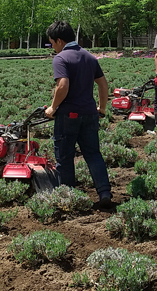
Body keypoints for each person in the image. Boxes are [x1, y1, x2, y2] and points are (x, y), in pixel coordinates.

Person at [44, 21, 112, 208]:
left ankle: (68, 197)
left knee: (64, 157)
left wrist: (53, 107)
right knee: (93, 154)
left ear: (59, 40)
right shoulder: (90, 57)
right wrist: (102, 108)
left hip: (69, 115)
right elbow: (103, 85)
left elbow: (63, 85)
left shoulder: (61, 58)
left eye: (52, 43)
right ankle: (104, 192)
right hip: (90, 113)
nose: (53, 48)